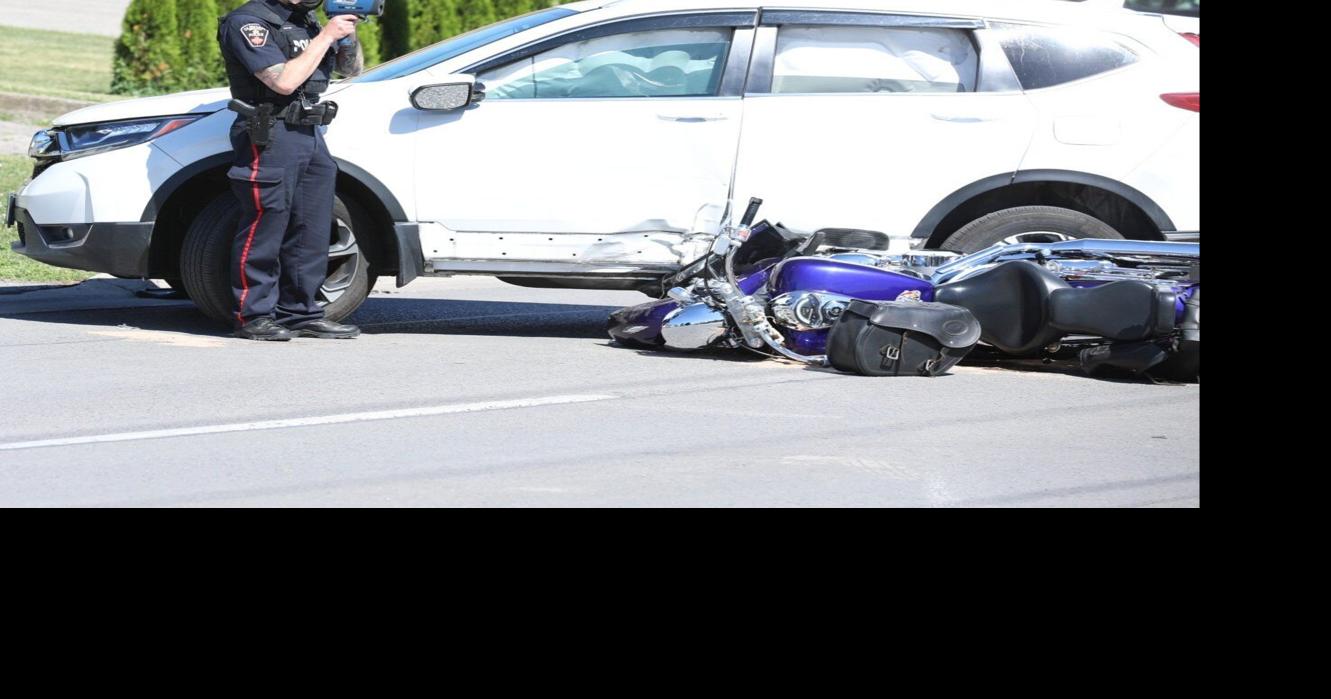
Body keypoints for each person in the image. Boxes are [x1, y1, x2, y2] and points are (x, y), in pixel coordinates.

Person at [218, 0, 365, 341]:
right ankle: (253, 316)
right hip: (269, 132)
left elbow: (351, 70)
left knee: (310, 228)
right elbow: (283, 82)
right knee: (266, 225)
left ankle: (301, 312)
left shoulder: (306, 20)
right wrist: (326, 36)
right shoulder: (249, 23)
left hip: (308, 131)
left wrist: (346, 35)